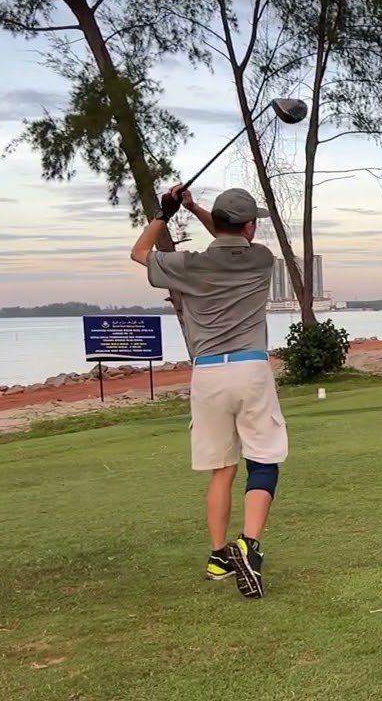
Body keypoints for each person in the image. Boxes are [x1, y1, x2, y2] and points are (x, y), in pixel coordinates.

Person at [129, 185, 287, 599]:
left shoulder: (188, 264)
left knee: (223, 468)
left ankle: (219, 555)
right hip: (251, 367)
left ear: (217, 223)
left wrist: (166, 213)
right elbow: (231, 239)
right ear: (250, 226)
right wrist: (196, 207)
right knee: (264, 459)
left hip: (209, 374)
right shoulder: (261, 259)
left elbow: (139, 252)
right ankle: (248, 545)